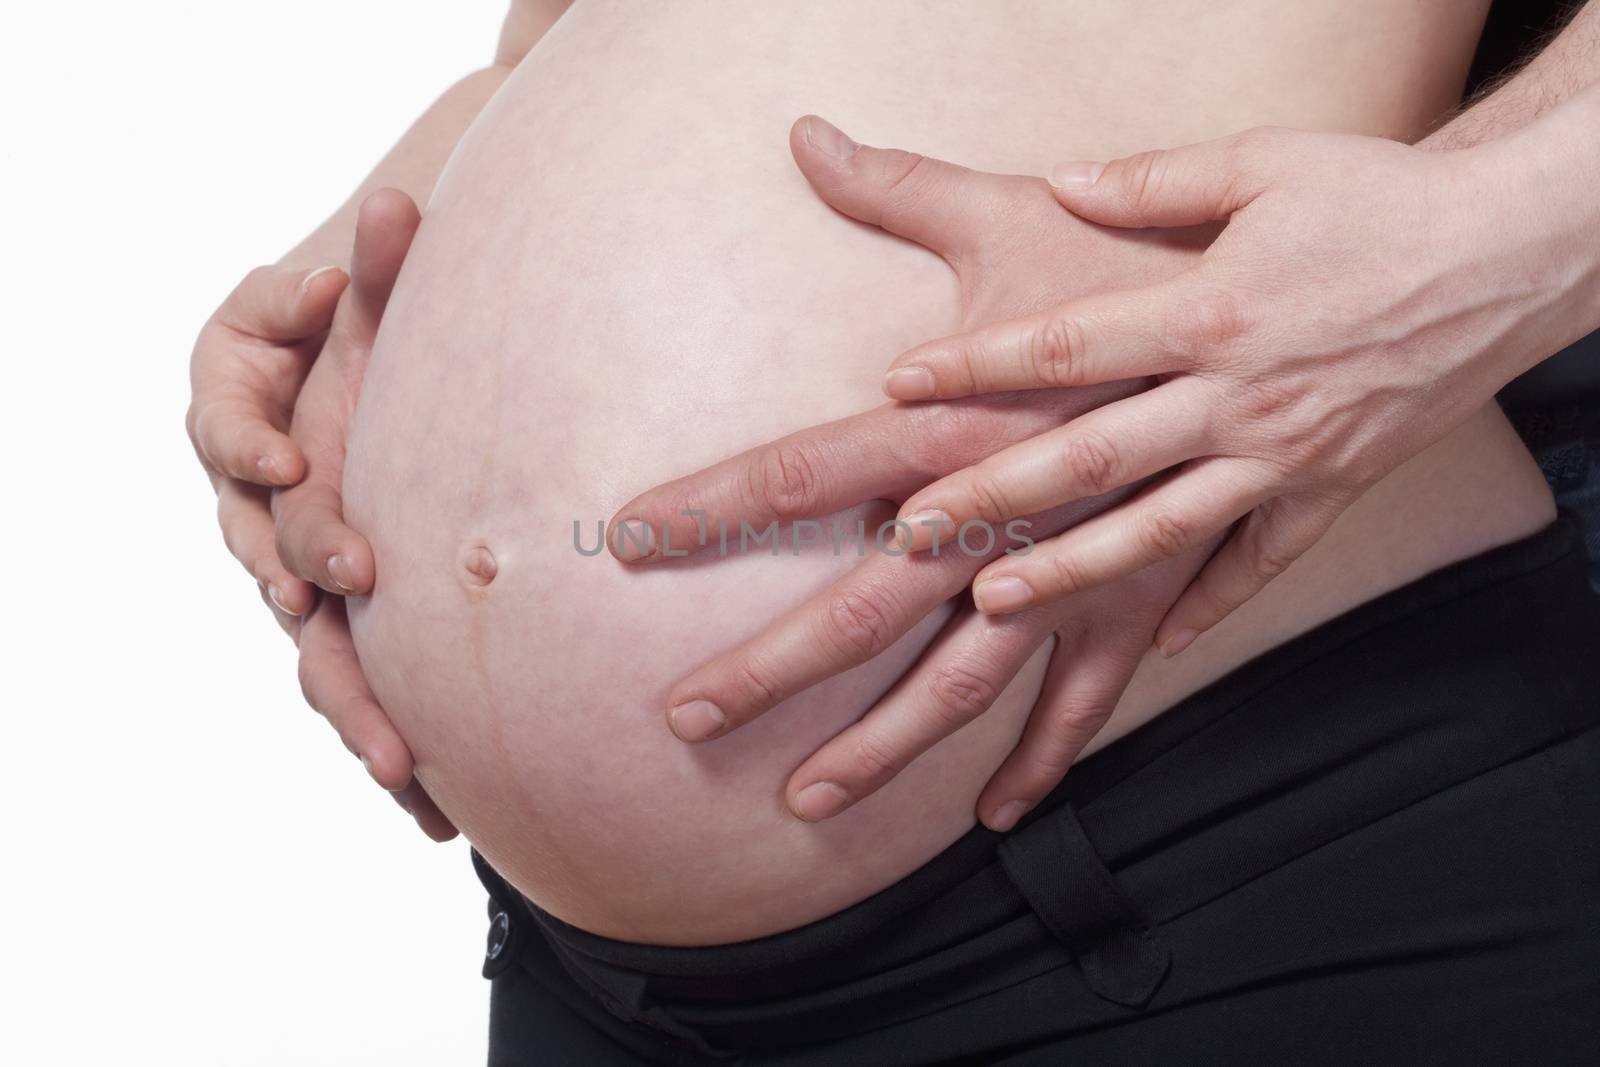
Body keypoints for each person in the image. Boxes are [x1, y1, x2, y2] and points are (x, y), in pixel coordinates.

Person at [188, 1, 1600, 1061]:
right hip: (598, 978)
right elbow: (563, 44)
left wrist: (1486, 239)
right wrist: (346, 291)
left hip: (1234, 834)